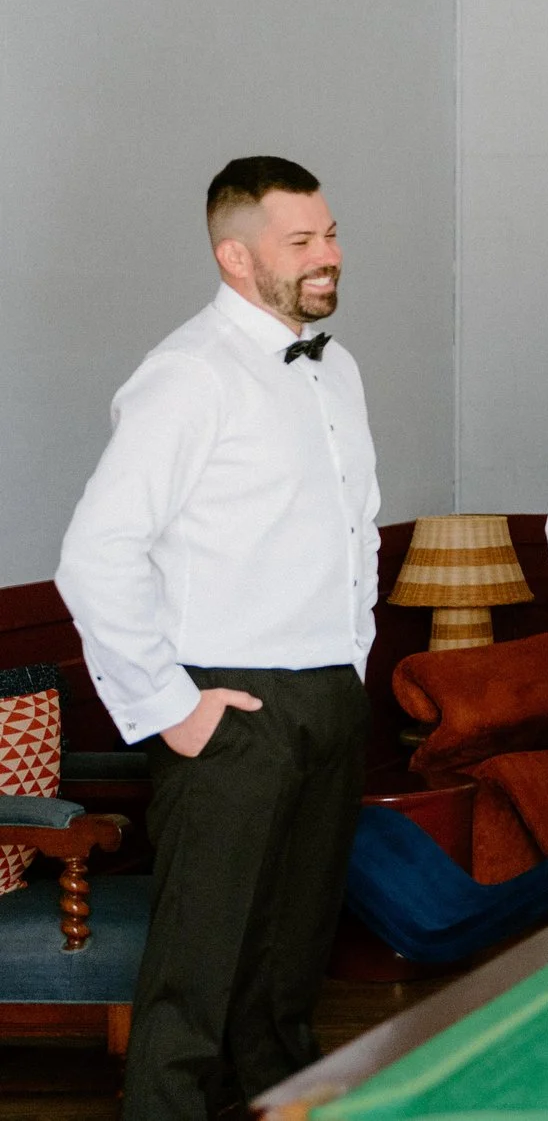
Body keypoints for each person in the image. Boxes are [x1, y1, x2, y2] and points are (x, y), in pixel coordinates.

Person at [57, 157, 376, 1121]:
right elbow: (95, 554)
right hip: (228, 706)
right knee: (195, 977)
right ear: (236, 256)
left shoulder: (338, 367)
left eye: (330, 233)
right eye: (302, 240)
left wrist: (353, 665)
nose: (329, 254)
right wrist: (172, 707)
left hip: (328, 693)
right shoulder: (187, 374)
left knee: (288, 974)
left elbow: (355, 527)